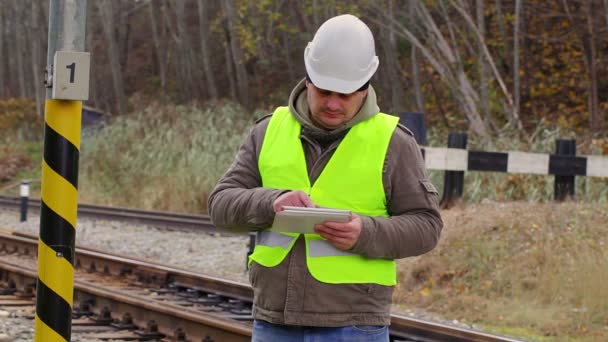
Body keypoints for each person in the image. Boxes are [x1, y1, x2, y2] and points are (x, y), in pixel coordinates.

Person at [208, 14, 443, 342]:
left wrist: (365, 232)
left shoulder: (394, 142)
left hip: (354, 324)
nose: (333, 104)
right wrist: (270, 203)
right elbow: (220, 205)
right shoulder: (268, 131)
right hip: (273, 319)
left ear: (364, 89)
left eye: (345, 95)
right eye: (325, 91)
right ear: (308, 80)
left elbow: (426, 227)